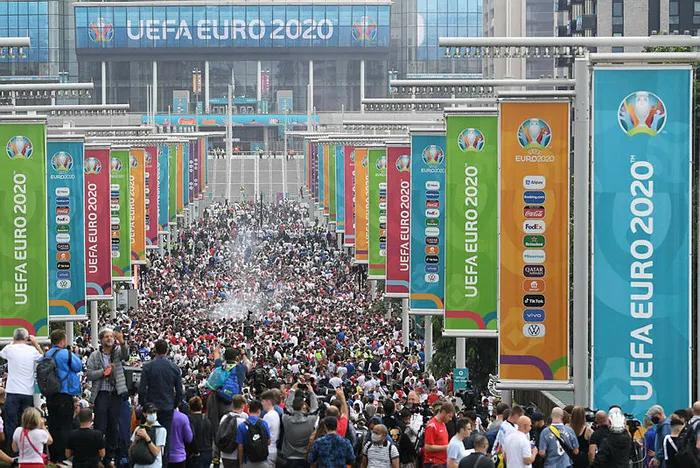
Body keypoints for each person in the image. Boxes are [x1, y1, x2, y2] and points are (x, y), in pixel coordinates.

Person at [86, 327, 129, 467]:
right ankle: (98, 456)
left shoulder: (117, 352)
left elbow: (126, 355)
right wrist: (103, 372)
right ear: (101, 340)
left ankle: (110, 457)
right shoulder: (94, 356)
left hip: (115, 394)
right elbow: (89, 374)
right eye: (106, 336)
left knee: (113, 426)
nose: (109, 338)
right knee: (100, 426)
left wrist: (122, 341)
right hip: (101, 394)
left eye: (111, 336)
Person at [138, 339, 184, 460]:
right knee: (165, 439)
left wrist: (143, 405)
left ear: (155, 350)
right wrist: (174, 405)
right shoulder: (174, 368)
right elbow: (180, 391)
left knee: (147, 435)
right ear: (167, 351)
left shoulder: (148, 367)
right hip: (167, 407)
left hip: (150, 408)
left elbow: (142, 389)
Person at [43, 329, 83, 465]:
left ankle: (54, 457)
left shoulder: (47, 354)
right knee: (65, 426)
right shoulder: (66, 353)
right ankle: (64, 457)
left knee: (53, 426)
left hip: (51, 395)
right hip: (64, 394)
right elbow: (78, 367)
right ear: (62, 341)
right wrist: (74, 353)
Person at [1, 328, 44, 446]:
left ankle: (13, 448)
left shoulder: (9, 349)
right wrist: (35, 344)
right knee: (28, 422)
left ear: (14, 338)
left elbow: (2, 354)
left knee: (10, 422)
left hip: (12, 391)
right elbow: (44, 358)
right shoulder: (32, 351)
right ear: (26, 338)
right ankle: (27, 446)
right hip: (27, 392)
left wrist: (13, 342)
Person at [280, 383, 319, 468]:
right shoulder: (310, 419)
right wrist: (311, 392)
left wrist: (292, 390)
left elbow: (287, 407)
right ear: (303, 406)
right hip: (305, 456)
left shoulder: (286, 419)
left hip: (289, 457)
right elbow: (315, 408)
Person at [131, 403, 168, 468]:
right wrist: (135, 440)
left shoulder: (161, 430)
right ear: (144, 414)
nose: (153, 414)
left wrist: (146, 437)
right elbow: (130, 452)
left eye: (154, 412)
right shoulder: (139, 428)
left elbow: (156, 453)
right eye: (150, 412)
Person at [235, 400, 270, 468]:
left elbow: (240, 447)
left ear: (249, 410)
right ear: (259, 411)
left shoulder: (242, 426)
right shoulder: (263, 423)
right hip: (262, 461)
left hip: (248, 460)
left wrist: (240, 463)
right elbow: (269, 441)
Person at [218, 395, 248, 468]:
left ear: (232, 405)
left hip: (224, 454)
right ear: (242, 406)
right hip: (235, 455)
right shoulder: (242, 421)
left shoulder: (224, 417)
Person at [423, 402, 455, 468]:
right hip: (434, 463)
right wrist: (446, 447)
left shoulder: (443, 424)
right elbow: (428, 447)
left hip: (443, 462)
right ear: (443, 412)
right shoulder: (432, 426)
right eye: (449, 416)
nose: (450, 419)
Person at [187, 396, 213, 468]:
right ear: (201, 406)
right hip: (207, 451)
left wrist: (195, 451)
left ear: (189, 407)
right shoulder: (207, 419)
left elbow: (191, 436)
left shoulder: (189, 420)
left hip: (195, 453)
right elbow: (211, 436)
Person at [261, 391, 280, 466]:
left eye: (263, 401)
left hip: (268, 450)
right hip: (273, 449)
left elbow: (263, 433)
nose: (262, 403)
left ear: (268, 402)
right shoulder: (275, 414)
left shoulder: (268, 416)